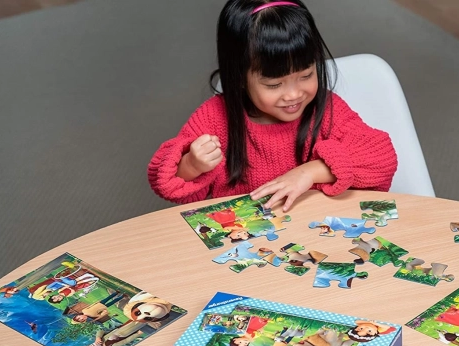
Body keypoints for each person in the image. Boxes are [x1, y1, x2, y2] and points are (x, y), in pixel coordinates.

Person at [148, 0, 397, 212]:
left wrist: (310, 172)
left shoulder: (328, 108)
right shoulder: (214, 118)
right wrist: (192, 165)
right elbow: (166, 183)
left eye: (306, 75)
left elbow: (381, 158)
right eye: (274, 84)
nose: (294, 94)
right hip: (246, 244)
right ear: (239, 77)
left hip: (318, 235)